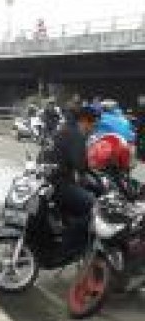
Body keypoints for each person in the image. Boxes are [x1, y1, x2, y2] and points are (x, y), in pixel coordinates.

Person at [44, 103, 101, 250]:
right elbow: (81, 167)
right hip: (60, 185)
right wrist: (95, 182)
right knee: (96, 206)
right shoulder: (76, 136)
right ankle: (71, 244)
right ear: (85, 121)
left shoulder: (60, 131)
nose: (94, 129)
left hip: (46, 183)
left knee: (79, 196)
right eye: (94, 125)